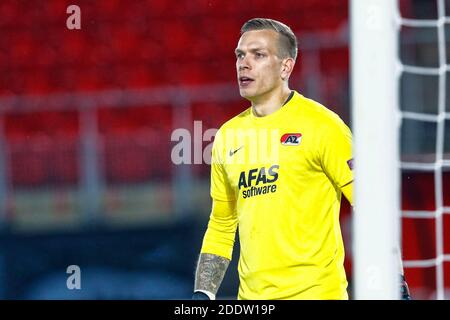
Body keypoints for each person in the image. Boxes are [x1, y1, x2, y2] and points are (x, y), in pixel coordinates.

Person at [192, 18, 411, 300]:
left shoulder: (323, 126)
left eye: (257, 55)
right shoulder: (226, 137)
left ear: (286, 67)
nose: (243, 64)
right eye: (240, 55)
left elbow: (372, 209)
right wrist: (203, 293)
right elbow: (221, 225)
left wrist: (395, 282)